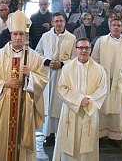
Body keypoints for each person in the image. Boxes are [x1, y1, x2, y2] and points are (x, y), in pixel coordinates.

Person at [0, 10, 49, 161]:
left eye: (21, 34)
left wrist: (30, 75)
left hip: (24, 106)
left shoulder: (34, 57)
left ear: (25, 36)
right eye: (15, 34)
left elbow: (43, 80)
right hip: (2, 105)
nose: (18, 37)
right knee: (3, 138)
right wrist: (5, 83)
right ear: (10, 35)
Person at [52, 38, 108, 161]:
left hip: (89, 110)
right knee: (69, 141)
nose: (84, 51)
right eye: (81, 48)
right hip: (70, 110)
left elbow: (103, 89)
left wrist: (88, 100)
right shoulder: (67, 68)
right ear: (76, 50)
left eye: (86, 48)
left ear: (90, 50)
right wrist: (78, 100)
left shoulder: (99, 69)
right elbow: (61, 88)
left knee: (87, 143)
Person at [91, 15, 122, 148]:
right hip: (102, 81)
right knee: (101, 107)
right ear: (110, 26)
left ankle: (114, 136)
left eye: (118, 26)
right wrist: (93, 80)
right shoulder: (101, 41)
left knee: (117, 110)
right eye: (114, 25)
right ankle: (99, 135)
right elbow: (94, 61)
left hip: (119, 82)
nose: (116, 28)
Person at [35, 12, 77, 147]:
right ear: (52, 23)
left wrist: (62, 64)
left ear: (64, 22)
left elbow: (75, 58)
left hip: (63, 76)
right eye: (56, 21)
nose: (59, 24)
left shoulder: (71, 38)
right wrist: (46, 61)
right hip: (48, 74)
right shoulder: (45, 36)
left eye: (61, 21)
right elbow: (37, 53)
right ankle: (49, 134)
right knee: (48, 104)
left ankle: (61, 133)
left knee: (60, 104)